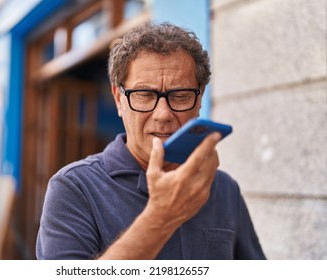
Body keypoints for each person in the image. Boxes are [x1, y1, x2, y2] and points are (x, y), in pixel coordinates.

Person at [36, 22, 265, 260]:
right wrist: (162, 216)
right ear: (118, 100)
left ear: (199, 100)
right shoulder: (74, 188)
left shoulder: (224, 188)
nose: (163, 114)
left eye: (180, 95)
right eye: (144, 95)